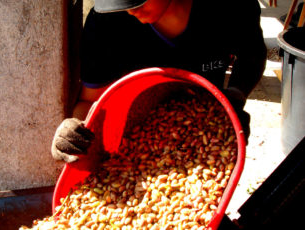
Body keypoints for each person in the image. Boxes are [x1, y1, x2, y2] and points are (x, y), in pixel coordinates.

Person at [51, 0, 267, 162]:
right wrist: (74, 129)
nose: (130, 10)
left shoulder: (232, 5)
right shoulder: (106, 23)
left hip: (203, 142)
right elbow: (90, 101)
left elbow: (252, 56)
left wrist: (236, 96)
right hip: (133, 151)